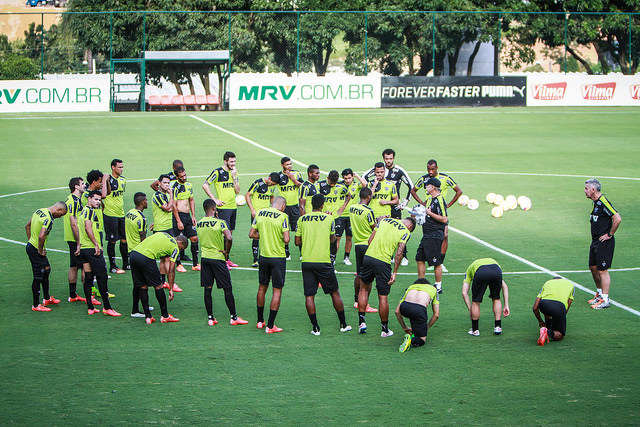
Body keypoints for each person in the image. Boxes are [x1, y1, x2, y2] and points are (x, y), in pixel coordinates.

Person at [296, 194, 351, 335]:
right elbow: (333, 239)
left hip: (307, 261)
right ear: (322, 205)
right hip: (323, 262)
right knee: (334, 293)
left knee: (309, 296)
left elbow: (297, 242)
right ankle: (343, 324)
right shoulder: (329, 219)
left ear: (311, 204)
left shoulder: (302, 219)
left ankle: (315, 328)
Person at [357, 216, 416, 337]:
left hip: (368, 257)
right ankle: (384, 330)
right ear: (410, 227)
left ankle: (361, 322)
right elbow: (399, 253)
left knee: (363, 289)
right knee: (382, 297)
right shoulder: (405, 232)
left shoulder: (384, 221)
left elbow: (370, 240)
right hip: (383, 262)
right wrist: (394, 272)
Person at [197, 199, 248, 326]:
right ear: (214, 209)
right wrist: (226, 252)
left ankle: (210, 318)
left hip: (205, 258)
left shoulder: (199, 223)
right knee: (227, 288)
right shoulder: (220, 223)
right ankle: (234, 317)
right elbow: (229, 237)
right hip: (218, 258)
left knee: (208, 288)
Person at [363, 149, 414, 266]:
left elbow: (411, 185)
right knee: (382, 231)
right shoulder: (379, 170)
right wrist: (370, 187)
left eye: (390, 158)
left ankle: (404, 255)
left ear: (394, 158)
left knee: (399, 230)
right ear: (383, 159)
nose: (388, 161)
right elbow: (364, 176)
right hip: (380, 207)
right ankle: (387, 254)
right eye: (386, 159)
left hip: (394, 206)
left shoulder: (399, 171)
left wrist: (405, 202)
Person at [411, 159, 463, 273]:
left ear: (437, 168)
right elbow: (413, 190)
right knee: (430, 236)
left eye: (432, 169)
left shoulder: (445, 178)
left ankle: (440, 261)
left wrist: (448, 204)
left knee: (444, 235)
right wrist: (422, 203)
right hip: (429, 211)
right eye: (428, 169)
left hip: (440, 210)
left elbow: (459, 191)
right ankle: (433, 259)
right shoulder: (424, 179)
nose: (430, 171)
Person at [249, 196, 290, 333]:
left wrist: (265, 235)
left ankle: (260, 321)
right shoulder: (283, 216)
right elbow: (286, 239)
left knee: (262, 288)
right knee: (277, 290)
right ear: (283, 205)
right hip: (278, 258)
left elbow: (251, 234)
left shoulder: (260, 213)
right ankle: (271, 325)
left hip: (263, 257)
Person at [77, 191, 120, 317]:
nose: (97, 202)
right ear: (89, 199)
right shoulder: (89, 211)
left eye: (99, 200)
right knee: (102, 276)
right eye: (95, 199)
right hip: (92, 249)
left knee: (88, 277)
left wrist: (79, 245)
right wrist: (96, 244)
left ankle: (90, 307)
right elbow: (87, 227)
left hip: (84, 249)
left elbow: (80, 229)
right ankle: (107, 307)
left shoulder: (82, 212)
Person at [129, 232, 188, 324]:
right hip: (147, 258)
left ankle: (148, 317)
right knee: (158, 286)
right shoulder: (175, 247)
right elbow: (171, 270)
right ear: (180, 242)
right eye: (181, 248)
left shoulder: (163, 234)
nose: (180, 250)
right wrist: (171, 288)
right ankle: (165, 316)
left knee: (142, 286)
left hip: (133, 255)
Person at [584, 178, 621, 310]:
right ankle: (599, 294)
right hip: (595, 241)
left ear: (593, 190)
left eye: (586, 188)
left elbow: (617, 218)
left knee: (602, 270)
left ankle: (605, 299)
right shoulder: (595, 203)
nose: (585, 191)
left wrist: (610, 234)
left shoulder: (603, 201)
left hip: (604, 242)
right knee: (593, 267)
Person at [25, 202, 67, 312]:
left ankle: (47, 298)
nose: (59, 217)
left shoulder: (39, 211)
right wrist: (39, 249)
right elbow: (42, 235)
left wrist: (30, 241)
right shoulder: (49, 218)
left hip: (32, 246)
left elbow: (27, 226)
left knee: (47, 269)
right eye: (61, 215)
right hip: (36, 250)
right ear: (58, 210)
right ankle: (36, 305)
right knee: (38, 275)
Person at [202, 151, 241, 269]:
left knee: (230, 233)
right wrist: (214, 200)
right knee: (224, 235)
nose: (233, 164)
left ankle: (226, 258)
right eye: (231, 161)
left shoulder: (234, 172)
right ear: (225, 161)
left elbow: (237, 191)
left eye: (234, 161)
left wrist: (234, 178)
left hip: (233, 207)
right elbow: (205, 184)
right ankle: (221, 260)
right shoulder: (218, 172)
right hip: (223, 208)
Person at [413, 177, 448, 294]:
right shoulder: (429, 199)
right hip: (427, 234)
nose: (425, 187)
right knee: (420, 258)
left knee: (436, 261)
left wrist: (430, 213)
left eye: (427, 185)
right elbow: (424, 214)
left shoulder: (440, 200)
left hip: (434, 234)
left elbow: (444, 219)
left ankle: (438, 286)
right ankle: (421, 282)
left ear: (433, 187)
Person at [461, 258, 510, 336]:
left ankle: (475, 330)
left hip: (481, 272)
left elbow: (464, 292)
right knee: (496, 298)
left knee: (476, 301)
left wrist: (471, 309)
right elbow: (505, 286)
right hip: (496, 270)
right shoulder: (493, 263)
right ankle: (498, 326)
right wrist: (506, 305)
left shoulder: (469, 270)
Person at [348, 187, 378, 313]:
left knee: (359, 274)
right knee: (368, 277)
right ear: (369, 197)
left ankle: (356, 301)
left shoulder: (352, 208)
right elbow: (374, 227)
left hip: (357, 244)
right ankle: (365, 304)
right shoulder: (368, 211)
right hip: (368, 245)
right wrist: (379, 222)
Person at [151, 174, 181, 292]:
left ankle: (163, 281)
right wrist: (172, 195)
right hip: (162, 229)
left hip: (167, 227)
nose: (167, 185)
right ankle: (169, 282)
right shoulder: (158, 195)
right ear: (159, 183)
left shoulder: (165, 195)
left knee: (165, 258)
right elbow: (168, 208)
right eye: (164, 183)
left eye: (168, 183)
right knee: (167, 258)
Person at [316, 170, 351, 266]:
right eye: (331, 183)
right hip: (322, 217)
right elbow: (315, 199)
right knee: (322, 238)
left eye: (334, 183)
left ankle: (332, 259)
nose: (332, 185)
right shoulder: (319, 186)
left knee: (336, 238)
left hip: (335, 217)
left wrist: (342, 208)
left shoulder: (341, 187)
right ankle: (321, 257)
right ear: (327, 178)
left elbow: (349, 195)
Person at [395, 278, 440, 353]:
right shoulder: (433, 289)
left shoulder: (411, 287)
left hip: (405, 307)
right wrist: (425, 328)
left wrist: (404, 327)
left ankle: (413, 335)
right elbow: (436, 315)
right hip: (419, 309)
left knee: (413, 316)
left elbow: (397, 311)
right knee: (422, 339)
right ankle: (411, 340)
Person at [245, 172, 279, 268]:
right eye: (272, 183)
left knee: (266, 234)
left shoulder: (272, 186)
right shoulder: (258, 183)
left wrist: (273, 208)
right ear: (269, 178)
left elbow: (272, 197)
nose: (272, 185)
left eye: (274, 184)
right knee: (255, 235)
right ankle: (255, 260)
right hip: (257, 214)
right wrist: (252, 209)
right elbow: (247, 195)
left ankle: (264, 257)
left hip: (267, 215)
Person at [101, 158, 128, 274]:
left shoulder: (123, 180)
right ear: (113, 167)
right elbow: (103, 195)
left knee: (124, 240)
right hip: (110, 215)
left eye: (122, 167)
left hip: (121, 214)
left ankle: (126, 264)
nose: (121, 169)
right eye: (119, 167)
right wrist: (105, 180)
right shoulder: (106, 179)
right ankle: (112, 266)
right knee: (112, 241)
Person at [63, 177, 87, 303]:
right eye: (82, 184)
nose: (84, 185)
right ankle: (89, 295)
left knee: (73, 265)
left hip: (71, 237)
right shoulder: (74, 201)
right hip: (75, 238)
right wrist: (79, 242)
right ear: (76, 187)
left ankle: (73, 295)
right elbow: (74, 223)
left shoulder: (72, 199)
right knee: (85, 266)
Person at [125, 192, 148, 317]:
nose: (147, 202)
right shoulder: (141, 218)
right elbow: (143, 239)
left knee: (139, 281)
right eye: (146, 200)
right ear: (142, 202)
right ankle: (135, 310)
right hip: (139, 253)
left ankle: (143, 304)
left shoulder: (129, 213)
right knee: (140, 283)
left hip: (131, 250)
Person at [172, 166, 200, 272]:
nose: (184, 177)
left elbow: (191, 200)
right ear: (177, 177)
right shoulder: (175, 187)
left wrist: (193, 216)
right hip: (179, 216)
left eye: (185, 175)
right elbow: (174, 205)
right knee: (178, 241)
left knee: (194, 238)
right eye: (182, 176)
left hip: (188, 216)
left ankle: (195, 264)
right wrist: (178, 220)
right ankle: (178, 264)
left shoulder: (189, 185)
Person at [532, 277, 575, 345]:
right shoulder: (571, 284)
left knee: (548, 307)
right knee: (560, 336)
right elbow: (568, 303)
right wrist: (560, 318)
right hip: (559, 307)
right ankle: (548, 332)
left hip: (543, 304)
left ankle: (547, 328)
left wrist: (540, 321)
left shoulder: (547, 283)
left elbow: (535, 308)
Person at [338, 168, 366, 266]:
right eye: (346, 178)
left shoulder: (355, 185)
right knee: (337, 238)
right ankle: (332, 258)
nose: (348, 180)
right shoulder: (340, 186)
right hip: (340, 216)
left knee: (349, 238)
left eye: (349, 178)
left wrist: (357, 176)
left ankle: (346, 257)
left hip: (351, 216)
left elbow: (364, 184)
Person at [277, 156, 303, 260]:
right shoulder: (279, 176)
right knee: (285, 230)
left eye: (290, 164)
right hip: (284, 208)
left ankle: (302, 252)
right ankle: (286, 252)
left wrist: (293, 179)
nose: (289, 166)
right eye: (287, 164)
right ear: (282, 165)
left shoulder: (296, 174)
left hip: (295, 207)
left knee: (299, 230)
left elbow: (302, 186)